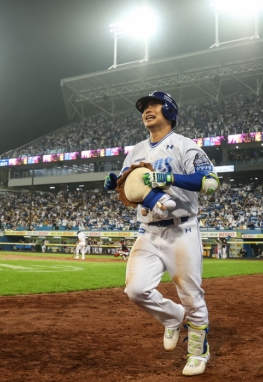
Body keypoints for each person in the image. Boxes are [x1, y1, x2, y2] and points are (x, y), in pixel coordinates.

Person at [104, 91, 220, 376]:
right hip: (148, 230)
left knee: (191, 295)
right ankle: (173, 317)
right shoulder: (136, 150)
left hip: (182, 229)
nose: (147, 110)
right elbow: (129, 187)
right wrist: (114, 182)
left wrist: (171, 178)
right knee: (135, 290)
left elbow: (210, 182)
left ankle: (198, 351)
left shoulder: (184, 145)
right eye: (143, 108)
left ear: (168, 110)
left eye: (153, 105)